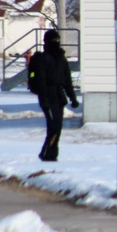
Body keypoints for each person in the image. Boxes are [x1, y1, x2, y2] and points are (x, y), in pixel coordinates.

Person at [33, 29, 79, 162]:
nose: (56, 43)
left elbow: (67, 80)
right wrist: (44, 99)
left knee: (57, 127)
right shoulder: (43, 58)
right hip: (48, 97)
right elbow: (41, 81)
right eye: (54, 40)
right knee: (54, 126)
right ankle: (48, 153)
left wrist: (73, 97)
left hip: (59, 97)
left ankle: (49, 153)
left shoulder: (61, 58)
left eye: (57, 40)